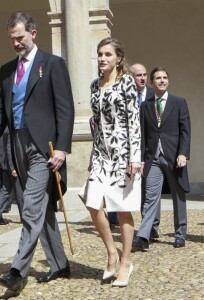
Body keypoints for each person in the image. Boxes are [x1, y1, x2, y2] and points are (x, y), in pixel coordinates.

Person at [0, 12, 74, 295]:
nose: (16, 43)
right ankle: (59, 263)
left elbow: (65, 109)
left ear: (33, 33)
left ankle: (16, 272)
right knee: (41, 209)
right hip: (16, 144)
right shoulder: (6, 70)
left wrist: (62, 147)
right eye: (11, 38)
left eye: (20, 37)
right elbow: (0, 111)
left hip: (44, 148)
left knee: (31, 206)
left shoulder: (53, 65)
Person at [79, 37, 141, 287]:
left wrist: (135, 157)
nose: (102, 58)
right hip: (101, 155)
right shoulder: (95, 85)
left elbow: (134, 121)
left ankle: (126, 262)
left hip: (123, 155)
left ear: (119, 58)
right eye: (99, 54)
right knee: (92, 203)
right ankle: (112, 252)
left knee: (123, 208)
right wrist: (93, 156)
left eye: (107, 54)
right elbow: (96, 125)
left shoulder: (127, 83)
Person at [132, 67, 191, 250]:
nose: (162, 81)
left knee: (178, 196)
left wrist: (183, 153)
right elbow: (142, 135)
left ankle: (180, 233)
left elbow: (185, 131)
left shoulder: (179, 102)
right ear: (152, 82)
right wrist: (141, 159)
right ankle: (144, 235)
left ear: (168, 81)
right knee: (150, 197)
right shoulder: (146, 106)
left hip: (174, 157)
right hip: (152, 158)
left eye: (165, 77)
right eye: (158, 78)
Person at [130, 63, 160, 241]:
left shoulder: (152, 94)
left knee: (151, 188)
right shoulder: (127, 95)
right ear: (131, 77)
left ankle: (152, 227)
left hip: (150, 147)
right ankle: (146, 224)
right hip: (132, 148)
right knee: (140, 189)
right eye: (138, 75)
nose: (142, 78)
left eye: (144, 75)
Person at [0, 127, 23, 225]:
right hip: (12, 166)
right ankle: (25, 217)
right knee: (19, 192)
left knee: (5, 191)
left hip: (6, 166)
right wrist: (12, 167)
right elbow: (9, 149)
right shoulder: (9, 129)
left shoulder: (3, 129)